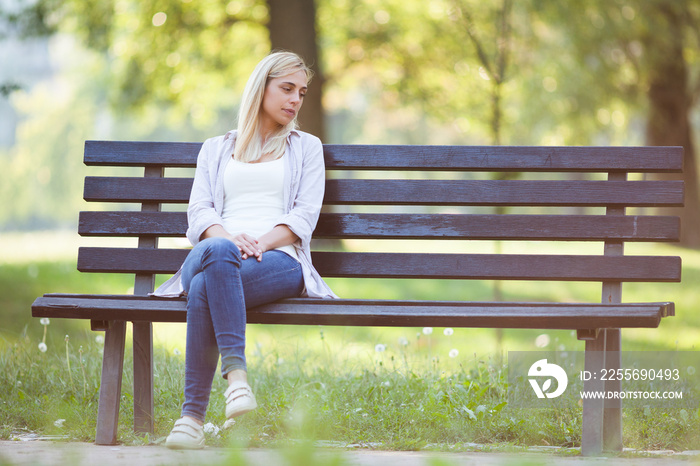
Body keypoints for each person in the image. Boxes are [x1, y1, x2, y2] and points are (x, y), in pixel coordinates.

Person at [156, 51, 336, 450]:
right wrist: (227, 238)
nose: (295, 100)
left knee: (204, 289)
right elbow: (199, 211)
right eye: (286, 88)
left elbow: (304, 216)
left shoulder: (307, 147)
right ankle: (236, 378)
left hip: (277, 261)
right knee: (218, 255)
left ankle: (190, 419)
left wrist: (258, 242)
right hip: (213, 250)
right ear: (261, 88)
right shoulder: (215, 149)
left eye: (302, 93)